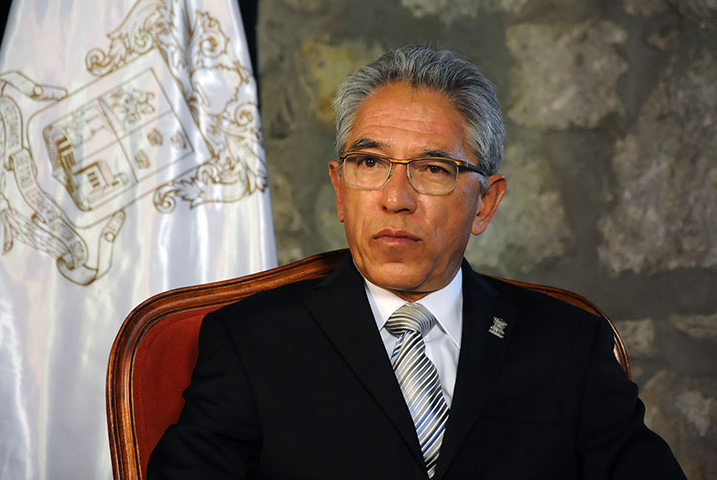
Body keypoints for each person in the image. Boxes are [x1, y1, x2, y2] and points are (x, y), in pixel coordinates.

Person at [148, 45, 686, 479]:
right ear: (340, 190)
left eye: (433, 169)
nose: (394, 198)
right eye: (370, 162)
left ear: (486, 203)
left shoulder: (568, 345)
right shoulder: (252, 342)